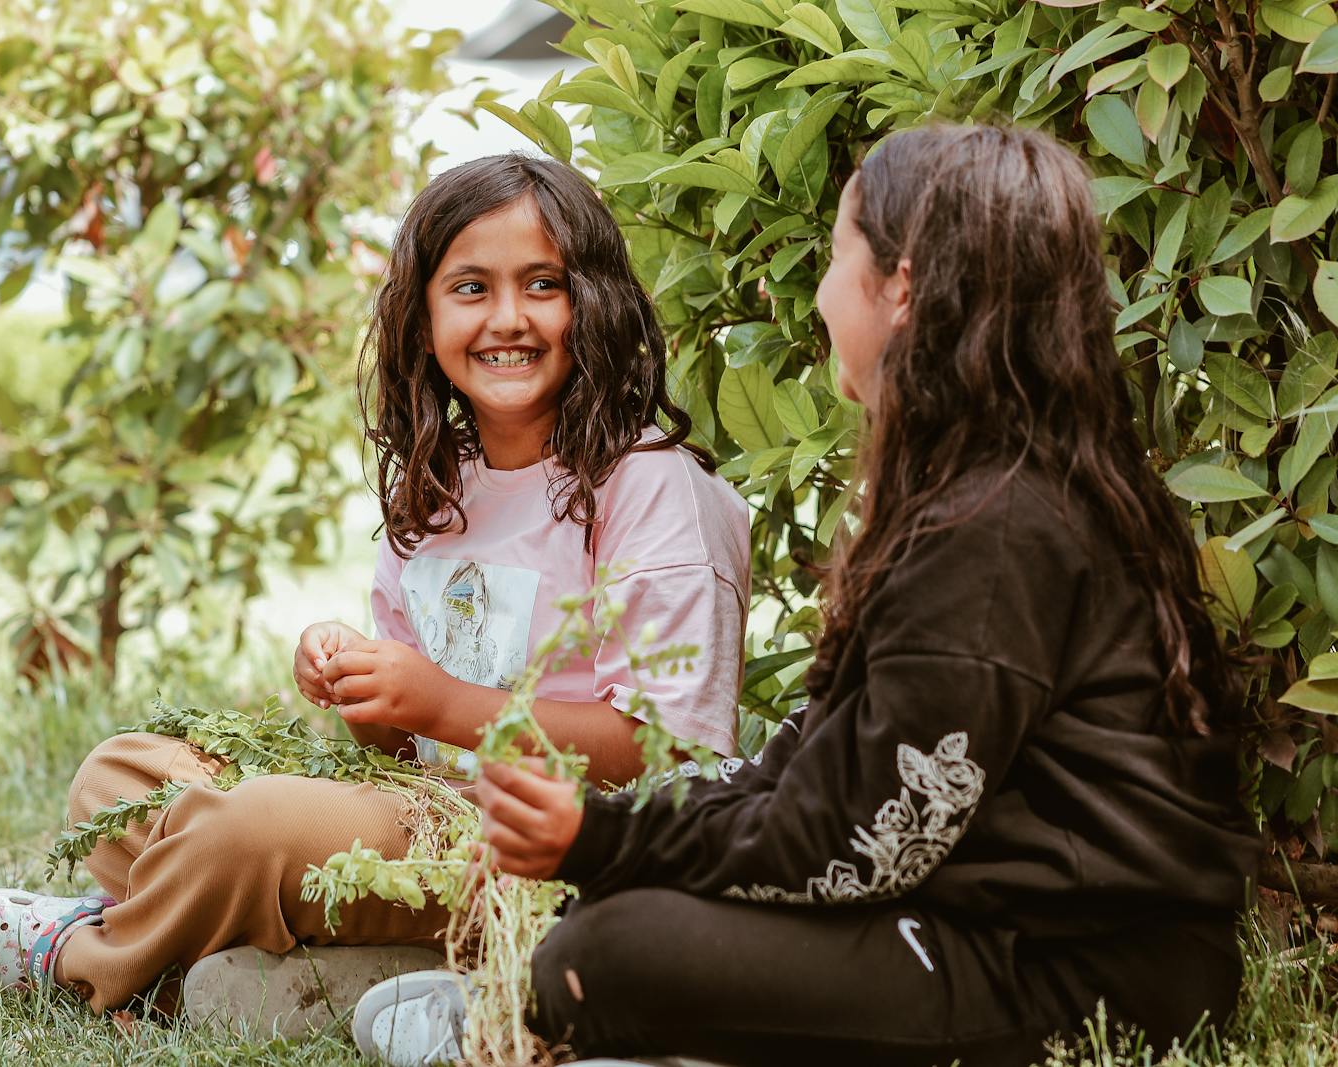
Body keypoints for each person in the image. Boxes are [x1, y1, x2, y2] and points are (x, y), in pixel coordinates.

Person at [352, 124, 1261, 1067]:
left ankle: (547, 1022)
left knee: (600, 955)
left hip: (1082, 974)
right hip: (967, 914)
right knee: (618, 915)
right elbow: (804, 771)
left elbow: (863, 841)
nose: (822, 297)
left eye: (835, 258)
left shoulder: (996, 532)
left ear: (901, 289)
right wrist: (616, 844)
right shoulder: (972, 493)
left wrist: (601, 839)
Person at [0, 154, 752, 1024]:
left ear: (596, 301)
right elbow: (393, 762)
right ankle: (335, 967)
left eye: (543, 283)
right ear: (423, 320)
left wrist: (441, 704)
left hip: (568, 852)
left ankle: (95, 955)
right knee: (121, 776)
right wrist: (362, 689)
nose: (509, 317)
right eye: (470, 288)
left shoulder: (649, 488)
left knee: (250, 828)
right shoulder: (440, 488)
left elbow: (663, 754)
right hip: (428, 821)